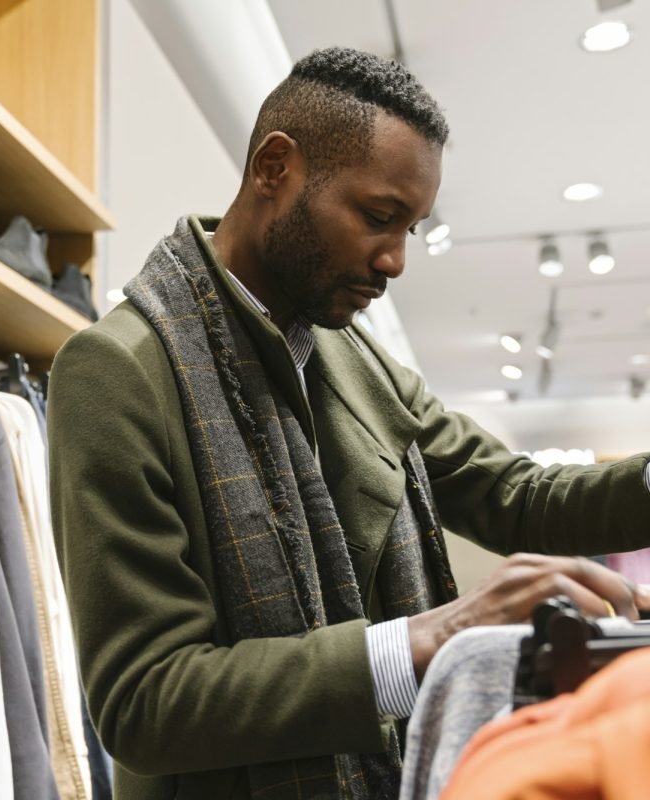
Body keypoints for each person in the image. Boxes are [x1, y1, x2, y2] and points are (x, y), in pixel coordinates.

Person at [47, 47, 650, 800]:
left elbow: (516, 495)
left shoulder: (353, 359)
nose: (396, 260)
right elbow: (143, 701)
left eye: (412, 228)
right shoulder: (118, 372)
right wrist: (430, 639)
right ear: (276, 168)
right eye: (378, 217)